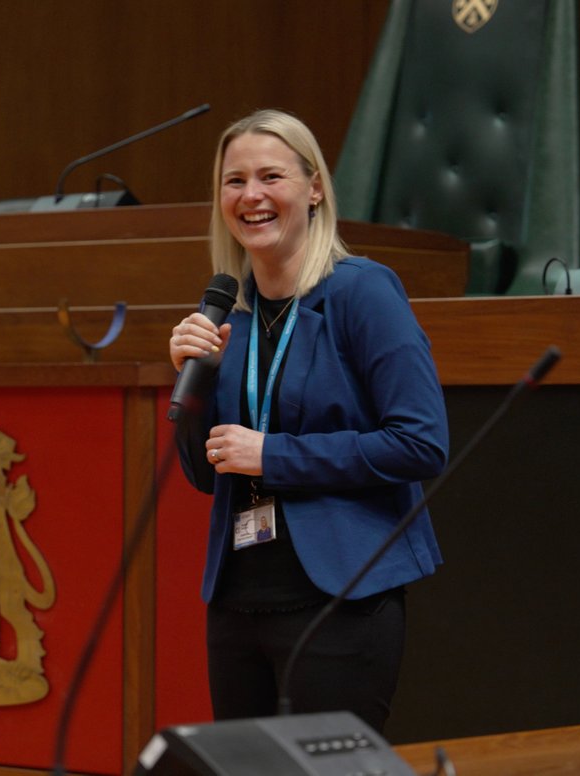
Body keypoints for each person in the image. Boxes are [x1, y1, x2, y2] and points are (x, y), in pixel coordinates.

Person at [167, 108, 448, 733]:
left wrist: (275, 456)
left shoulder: (362, 292)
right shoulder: (227, 315)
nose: (252, 196)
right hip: (238, 601)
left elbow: (421, 443)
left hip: (341, 597)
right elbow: (204, 473)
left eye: (271, 176)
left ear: (315, 187)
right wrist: (192, 385)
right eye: (234, 180)